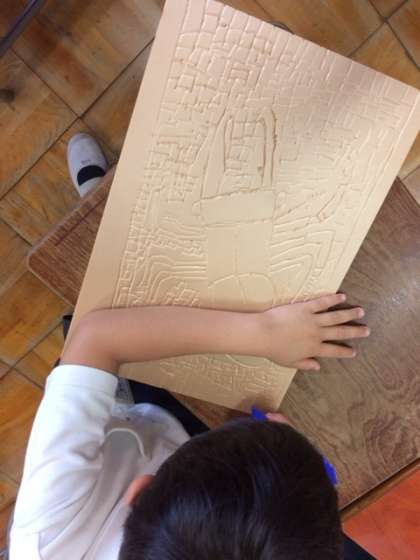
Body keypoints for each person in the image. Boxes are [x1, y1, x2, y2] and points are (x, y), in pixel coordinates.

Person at [8, 135, 374, 560]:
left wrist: (263, 333)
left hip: (126, 411)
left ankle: (102, 218)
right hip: (191, 453)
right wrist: (290, 473)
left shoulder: (46, 537)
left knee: (121, 294)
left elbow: (96, 338)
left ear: (138, 493)